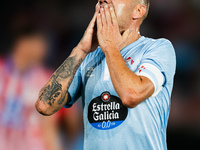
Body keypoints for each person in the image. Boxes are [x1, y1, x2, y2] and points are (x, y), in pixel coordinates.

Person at [35, 0, 176, 149]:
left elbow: (131, 95)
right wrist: (81, 50)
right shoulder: (89, 57)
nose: (104, 0)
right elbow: (44, 106)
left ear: (138, 11)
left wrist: (110, 47)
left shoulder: (157, 48)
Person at [0, 27, 62, 150]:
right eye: (39, 43)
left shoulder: (46, 79)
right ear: (22, 43)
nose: (44, 49)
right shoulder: (2, 70)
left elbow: (49, 126)